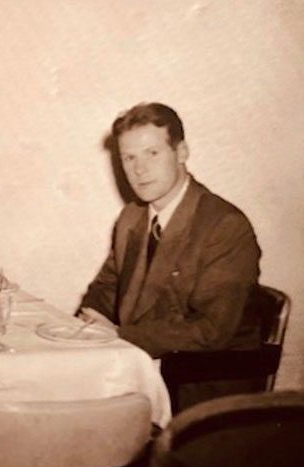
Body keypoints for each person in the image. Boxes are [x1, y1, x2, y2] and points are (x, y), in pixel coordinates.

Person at [79, 102, 262, 365]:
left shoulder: (224, 225)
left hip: (199, 381)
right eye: (129, 158)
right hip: (143, 363)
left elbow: (212, 330)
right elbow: (107, 287)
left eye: (152, 153)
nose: (139, 169)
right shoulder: (132, 217)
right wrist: (87, 323)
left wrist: (119, 336)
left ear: (181, 152)